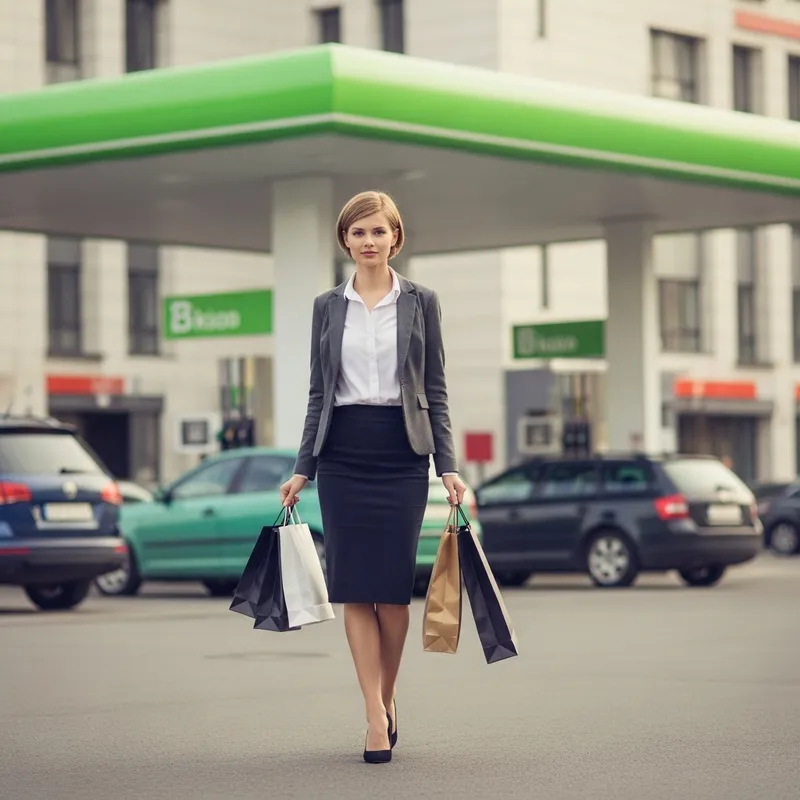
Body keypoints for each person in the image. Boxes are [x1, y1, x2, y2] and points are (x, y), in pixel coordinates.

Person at [279, 190, 466, 764]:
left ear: (395, 238)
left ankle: (387, 695)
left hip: (401, 454)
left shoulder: (421, 302)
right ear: (345, 240)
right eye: (358, 232)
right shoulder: (326, 307)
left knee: (391, 591)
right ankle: (373, 714)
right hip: (343, 454)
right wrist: (303, 468)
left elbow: (435, 390)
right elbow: (319, 393)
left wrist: (448, 465)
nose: (368, 241)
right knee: (354, 587)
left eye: (378, 231)